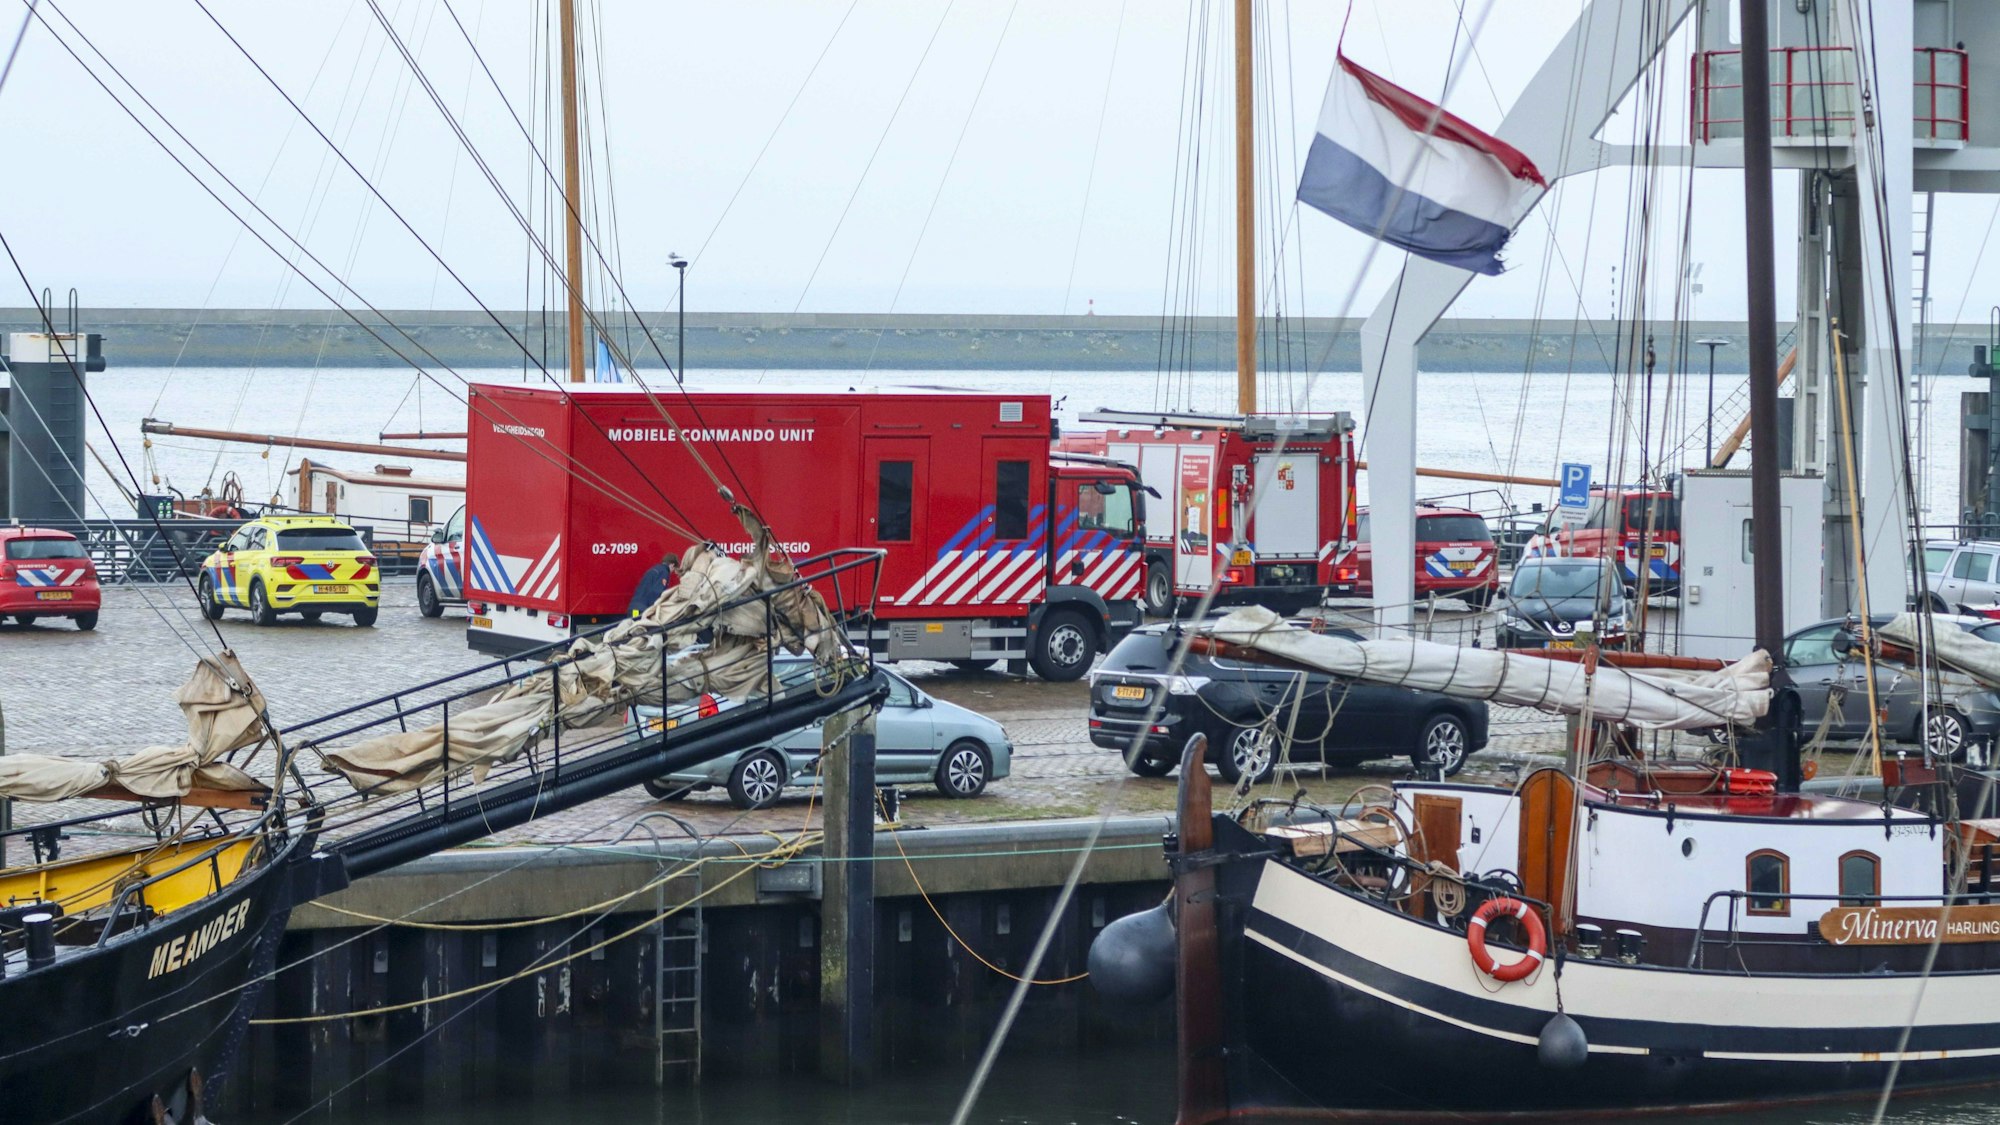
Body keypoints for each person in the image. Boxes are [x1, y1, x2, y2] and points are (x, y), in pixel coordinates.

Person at [628, 551, 679, 617]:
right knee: (641, 626)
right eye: (674, 569)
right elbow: (657, 592)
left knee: (634, 625)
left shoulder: (654, 569)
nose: (672, 572)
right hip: (642, 609)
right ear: (672, 565)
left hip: (634, 608)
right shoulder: (664, 572)